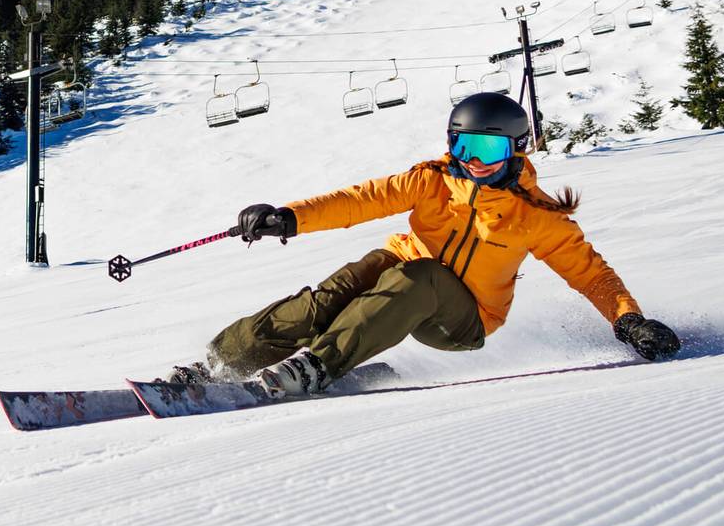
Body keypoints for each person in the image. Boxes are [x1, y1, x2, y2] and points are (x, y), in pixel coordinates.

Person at [169, 92, 680, 395]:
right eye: (463, 146)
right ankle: (221, 361)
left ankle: (317, 365)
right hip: (401, 272)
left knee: (422, 277)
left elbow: (590, 273)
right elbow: (360, 200)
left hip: (464, 318)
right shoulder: (432, 180)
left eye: (487, 147)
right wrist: (289, 217)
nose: (473, 160)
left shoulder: (537, 217)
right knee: (332, 295)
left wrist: (628, 320)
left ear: (516, 148)